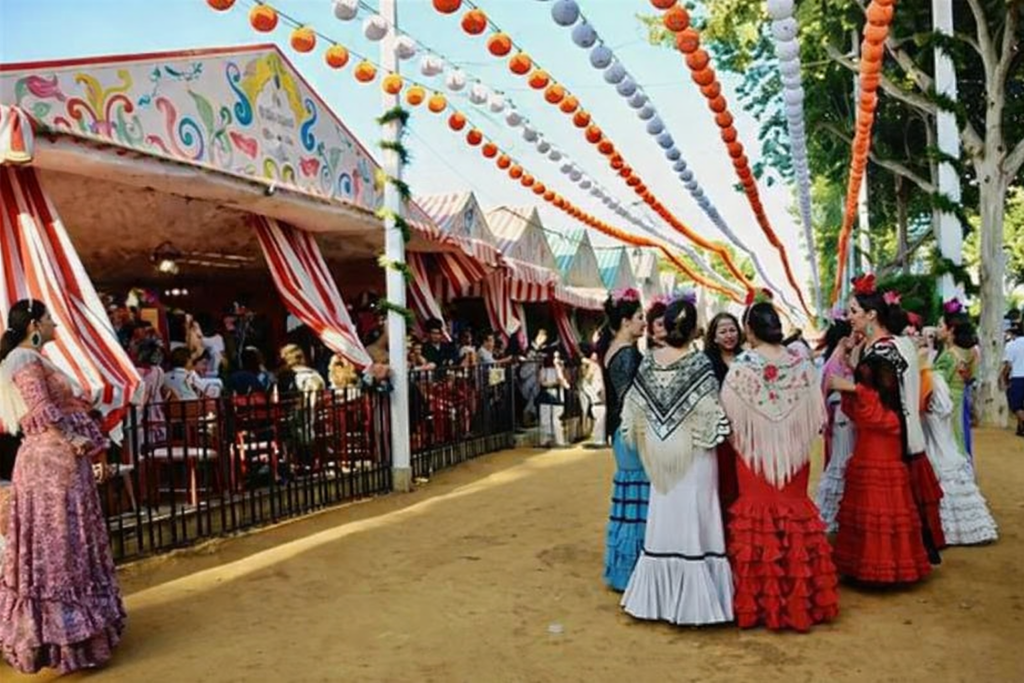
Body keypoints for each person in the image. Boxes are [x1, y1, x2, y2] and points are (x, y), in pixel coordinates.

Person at [0, 299, 126, 673]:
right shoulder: (23, 361)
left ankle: (79, 638)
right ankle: (63, 641)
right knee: (59, 546)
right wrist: (73, 441)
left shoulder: (33, 358)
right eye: (50, 318)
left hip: (61, 463)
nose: (56, 324)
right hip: (50, 464)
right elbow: (40, 410)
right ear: (35, 324)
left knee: (70, 543)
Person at [720, 297, 838, 631]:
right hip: (794, 456)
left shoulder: (742, 366)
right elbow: (817, 417)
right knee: (794, 512)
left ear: (749, 330)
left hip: (754, 456)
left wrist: (750, 441)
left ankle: (759, 607)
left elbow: (727, 417)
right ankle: (801, 604)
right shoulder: (801, 365)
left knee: (756, 517)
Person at [619, 297, 733, 625]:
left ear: (666, 327)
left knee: (665, 516)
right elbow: (713, 414)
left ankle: (657, 602)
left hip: (662, 454)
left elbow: (633, 411)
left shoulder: (650, 363)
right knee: (699, 515)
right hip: (696, 453)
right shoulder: (699, 365)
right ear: (695, 329)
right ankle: (699, 601)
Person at [826, 276, 935, 584]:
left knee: (881, 499)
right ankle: (872, 564)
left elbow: (883, 398)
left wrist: (844, 383)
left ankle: (885, 566)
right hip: (872, 434)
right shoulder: (875, 346)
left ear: (871, 314)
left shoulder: (887, 348)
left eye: (853, 311)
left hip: (884, 434)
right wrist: (848, 357)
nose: (849, 317)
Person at [920, 336, 999, 546]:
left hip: (940, 420)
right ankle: (974, 527)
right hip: (956, 401)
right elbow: (969, 376)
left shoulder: (934, 373)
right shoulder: (971, 352)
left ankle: (950, 530)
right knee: (956, 448)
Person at [599, 288, 647, 591]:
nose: (644, 323)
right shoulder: (627, 353)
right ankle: (633, 570)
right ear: (626, 321)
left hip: (619, 430)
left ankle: (624, 569)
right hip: (631, 432)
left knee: (629, 497)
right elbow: (632, 398)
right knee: (637, 496)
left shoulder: (610, 348)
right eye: (640, 318)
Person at [704, 312, 744, 531]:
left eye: (732, 329)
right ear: (714, 336)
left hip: (746, 432)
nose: (729, 335)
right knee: (724, 484)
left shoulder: (747, 359)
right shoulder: (707, 362)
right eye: (723, 331)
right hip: (720, 434)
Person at [815, 319, 855, 533]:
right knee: (841, 463)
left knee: (840, 462)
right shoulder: (837, 361)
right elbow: (830, 390)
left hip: (842, 416)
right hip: (842, 416)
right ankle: (832, 515)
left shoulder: (837, 359)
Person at [934, 302, 979, 457]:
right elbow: (972, 377)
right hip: (961, 398)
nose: (937, 329)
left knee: (950, 438)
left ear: (951, 330)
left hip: (948, 401)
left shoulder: (949, 355)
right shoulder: (970, 352)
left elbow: (937, 383)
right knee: (960, 435)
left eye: (940, 325)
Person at [536, 351, 570, 448]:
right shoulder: (544, 369)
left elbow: (565, 382)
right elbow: (541, 382)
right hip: (547, 394)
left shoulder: (560, 369)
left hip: (557, 394)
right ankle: (545, 440)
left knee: (556, 418)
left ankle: (560, 440)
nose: (557, 360)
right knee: (545, 418)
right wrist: (553, 383)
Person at [1001, 323, 1024, 437]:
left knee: (1016, 405)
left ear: (1012, 334)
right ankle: (1020, 429)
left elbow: (1008, 365)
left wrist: (1002, 377)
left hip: (1017, 378)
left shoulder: (1011, 345)